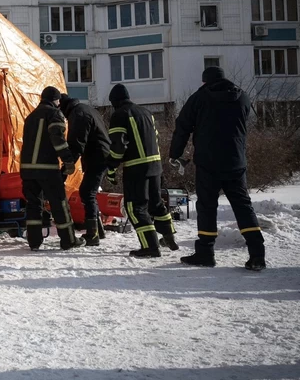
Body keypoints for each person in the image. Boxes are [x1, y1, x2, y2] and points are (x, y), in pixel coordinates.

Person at [170, 66, 266, 271]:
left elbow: (183, 126)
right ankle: (257, 254)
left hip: (208, 162)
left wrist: (175, 154)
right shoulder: (243, 97)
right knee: (243, 205)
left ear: (205, 81)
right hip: (236, 161)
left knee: (207, 206)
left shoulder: (200, 98)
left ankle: (205, 253)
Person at [105, 84, 178, 258]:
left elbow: (118, 145)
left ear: (114, 102)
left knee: (135, 207)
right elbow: (156, 138)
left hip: (136, 167)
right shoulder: (146, 113)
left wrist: (112, 167)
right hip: (155, 165)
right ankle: (168, 237)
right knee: (156, 203)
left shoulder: (119, 115)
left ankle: (150, 247)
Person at [20, 87, 83, 251]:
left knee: (33, 205)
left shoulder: (31, 116)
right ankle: (68, 240)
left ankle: (34, 242)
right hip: (47, 168)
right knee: (59, 203)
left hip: (27, 169)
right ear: (55, 100)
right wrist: (68, 160)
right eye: (58, 100)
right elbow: (58, 140)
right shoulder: (55, 114)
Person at [59, 93, 111, 246]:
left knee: (87, 192)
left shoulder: (78, 114)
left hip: (97, 157)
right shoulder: (86, 109)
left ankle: (92, 235)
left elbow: (76, 145)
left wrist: (65, 170)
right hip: (100, 155)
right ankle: (98, 231)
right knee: (90, 192)